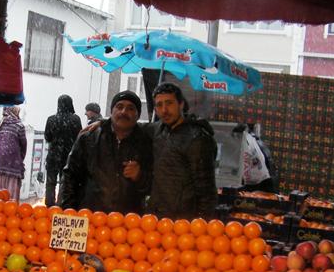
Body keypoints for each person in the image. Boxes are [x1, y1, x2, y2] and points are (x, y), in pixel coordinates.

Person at [59, 90, 152, 213]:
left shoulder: (146, 142)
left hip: (128, 224)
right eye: (119, 107)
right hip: (89, 218)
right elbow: (70, 176)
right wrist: (67, 211)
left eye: (130, 108)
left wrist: (140, 176)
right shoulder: (89, 138)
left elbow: (155, 185)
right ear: (111, 111)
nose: (124, 112)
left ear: (138, 115)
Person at [147, 82, 218, 220]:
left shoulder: (197, 138)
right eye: (159, 105)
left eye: (169, 103)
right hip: (157, 217)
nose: (164, 110)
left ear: (181, 104)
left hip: (184, 222)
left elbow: (206, 190)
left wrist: (201, 225)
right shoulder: (157, 130)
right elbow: (131, 126)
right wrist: (102, 122)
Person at [43, 95, 82, 206]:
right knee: (64, 182)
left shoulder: (51, 119)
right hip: (68, 156)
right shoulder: (75, 119)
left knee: (50, 182)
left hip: (53, 156)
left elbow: (47, 137)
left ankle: (49, 204)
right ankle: (61, 204)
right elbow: (79, 137)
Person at [0, 106, 27, 201]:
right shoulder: (19, 126)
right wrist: (19, 160)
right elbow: (23, 146)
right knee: (11, 196)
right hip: (13, 165)